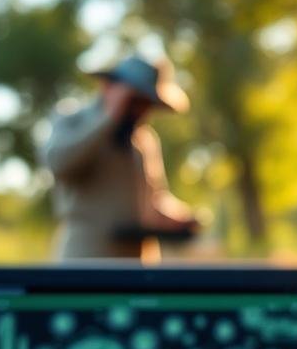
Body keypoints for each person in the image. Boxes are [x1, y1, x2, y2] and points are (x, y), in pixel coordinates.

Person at [42, 55, 198, 260]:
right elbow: (58, 164)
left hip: (139, 266)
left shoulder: (144, 140)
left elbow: (155, 197)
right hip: (85, 263)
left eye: (146, 103)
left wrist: (178, 218)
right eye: (135, 101)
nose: (142, 111)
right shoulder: (73, 121)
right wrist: (110, 118)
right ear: (109, 87)